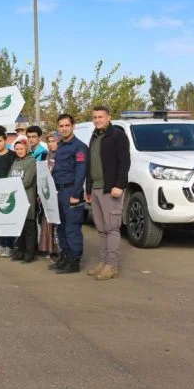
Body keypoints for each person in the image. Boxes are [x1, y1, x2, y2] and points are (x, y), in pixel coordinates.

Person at [85, 106, 131, 280]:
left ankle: (111, 266)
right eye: (95, 117)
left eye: (100, 117)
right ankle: (103, 262)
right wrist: (88, 189)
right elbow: (90, 164)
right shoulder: (94, 136)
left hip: (110, 189)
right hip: (96, 189)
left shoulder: (118, 136)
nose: (97, 120)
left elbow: (125, 162)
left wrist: (119, 185)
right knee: (101, 229)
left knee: (112, 228)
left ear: (109, 117)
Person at [51, 113, 89, 274]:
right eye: (61, 126)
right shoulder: (60, 146)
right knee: (61, 226)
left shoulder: (79, 147)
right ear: (58, 128)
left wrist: (76, 194)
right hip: (58, 190)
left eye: (67, 125)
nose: (64, 129)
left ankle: (74, 261)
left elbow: (81, 172)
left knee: (72, 227)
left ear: (73, 126)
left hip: (71, 191)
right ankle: (65, 256)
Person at [8, 140, 38, 263]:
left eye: (21, 148)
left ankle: (30, 253)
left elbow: (27, 181)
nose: (19, 151)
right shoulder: (16, 161)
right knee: (19, 226)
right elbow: (9, 177)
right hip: (16, 197)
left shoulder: (32, 161)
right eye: (17, 149)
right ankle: (20, 251)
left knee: (29, 227)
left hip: (27, 197)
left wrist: (13, 185)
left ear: (26, 148)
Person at [38, 132, 61, 260]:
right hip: (46, 193)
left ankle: (59, 249)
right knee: (47, 220)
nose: (51, 144)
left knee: (58, 222)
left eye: (54, 141)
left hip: (59, 192)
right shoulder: (45, 156)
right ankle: (49, 248)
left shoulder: (62, 155)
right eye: (49, 141)